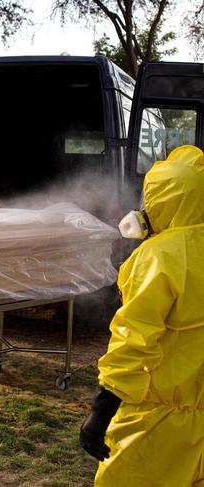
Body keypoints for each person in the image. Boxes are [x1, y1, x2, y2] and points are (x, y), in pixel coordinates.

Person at [79, 145, 204, 486]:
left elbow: (133, 339)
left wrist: (101, 412)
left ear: (166, 200)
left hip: (155, 420)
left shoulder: (158, 258)